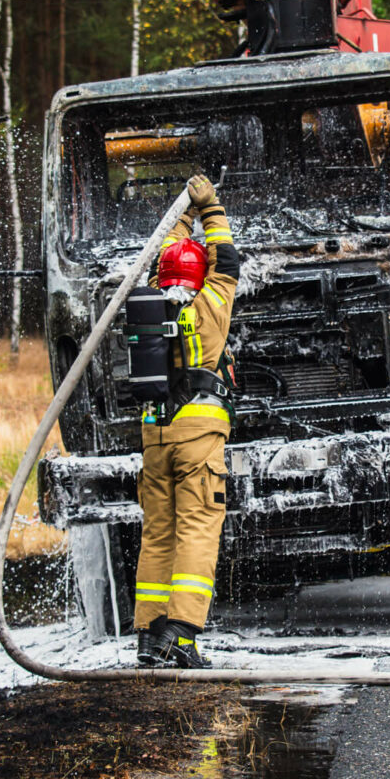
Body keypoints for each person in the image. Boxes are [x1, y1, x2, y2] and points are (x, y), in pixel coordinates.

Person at [134, 173, 239, 668]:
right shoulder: (211, 306)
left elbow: (165, 254)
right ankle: (182, 635)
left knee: (158, 532)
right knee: (198, 528)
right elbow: (227, 260)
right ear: (200, 275)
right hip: (199, 435)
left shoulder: (152, 302)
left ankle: (149, 637)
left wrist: (182, 214)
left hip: (154, 433)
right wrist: (210, 206)